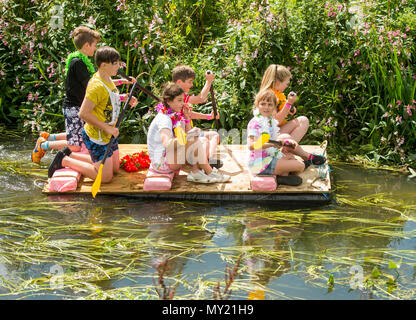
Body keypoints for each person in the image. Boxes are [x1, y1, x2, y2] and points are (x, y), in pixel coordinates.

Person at [32, 26, 134, 164]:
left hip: (79, 105)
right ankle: (43, 145)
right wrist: (121, 93)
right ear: (86, 45)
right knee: (75, 145)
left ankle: (49, 137)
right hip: (74, 108)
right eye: (94, 45)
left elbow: (101, 84)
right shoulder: (78, 63)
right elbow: (93, 86)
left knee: (77, 135)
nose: (95, 48)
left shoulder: (82, 61)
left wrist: (122, 82)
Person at [47, 46, 138, 183]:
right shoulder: (96, 86)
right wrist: (107, 128)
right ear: (103, 65)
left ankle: (70, 153)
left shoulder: (106, 78)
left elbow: (108, 94)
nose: (118, 66)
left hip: (109, 133)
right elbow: (83, 113)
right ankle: (64, 160)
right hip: (98, 136)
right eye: (115, 63)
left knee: (115, 169)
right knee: (106, 178)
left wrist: (125, 96)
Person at [147, 82, 230, 184]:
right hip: (161, 163)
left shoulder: (175, 115)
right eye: (179, 100)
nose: (182, 103)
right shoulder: (164, 119)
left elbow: (185, 135)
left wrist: (186, 118)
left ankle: (198, 171)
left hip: (170, 157)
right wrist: (189, 136)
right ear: (168, 101)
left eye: (182, 100)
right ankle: (209, 172)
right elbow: (167, 144)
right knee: (193, 139)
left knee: (198, 139)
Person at [259, 64, 326, 165]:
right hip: (268, 137)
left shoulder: (277, 94)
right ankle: (300, 156)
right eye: (286, 84)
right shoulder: (268, 97)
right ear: (277, 83)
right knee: (286, 137)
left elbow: (279, 113)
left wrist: (288, 108)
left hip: (276, 132)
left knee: (303, 120)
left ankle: (285, 152)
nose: (287, 86)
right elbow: (275, 121)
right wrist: (288, 103)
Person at [247, 89, 311, 186]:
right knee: (300, 166)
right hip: (260, 163)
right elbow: (251, 146)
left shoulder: (270, 121)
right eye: (263, 104)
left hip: (270, 156)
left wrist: (281, 144)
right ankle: (280, 177)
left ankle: (282, 175)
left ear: (274, 107)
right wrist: (272, 144)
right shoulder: (255, 123)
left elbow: (271, 140)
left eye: (270, 104)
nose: (266, 107)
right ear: (257, 105)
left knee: (289, 156)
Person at [172, 64, 222, 168]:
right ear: (179, 82)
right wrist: (208, 82)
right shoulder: (175, 96)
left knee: (214, 135)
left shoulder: (181, 96)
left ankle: (209, 160)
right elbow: (201, 99)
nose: (192, 85)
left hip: (188, 132)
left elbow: (188, 114)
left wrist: (209, 116)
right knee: (203, 140)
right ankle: (201, 161)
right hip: (182, 140)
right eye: (190, 82)